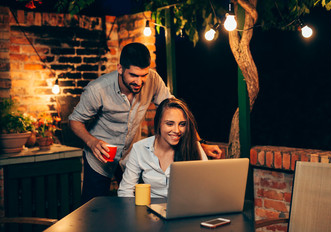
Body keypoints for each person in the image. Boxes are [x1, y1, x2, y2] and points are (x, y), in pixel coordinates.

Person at [68, 42, 222, 204]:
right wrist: (92, 142)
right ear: (120, 68)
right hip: (99, 157)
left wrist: (200, 144)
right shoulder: (97, 90)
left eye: (144, 75)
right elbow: (74, 121)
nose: (140, 82)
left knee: (134, 202)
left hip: (129, 156)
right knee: (93, 208)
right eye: (134, 75)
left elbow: (177, 113)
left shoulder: (153, 80)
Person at [118, 98, 208, 198]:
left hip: (184, 209)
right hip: (150, 209)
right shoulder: (140, 148)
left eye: (182, 124)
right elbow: (125, 190)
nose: (177, 130)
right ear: (159, 123)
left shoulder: (194, 147)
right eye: (170, 124)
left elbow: (207, 188)